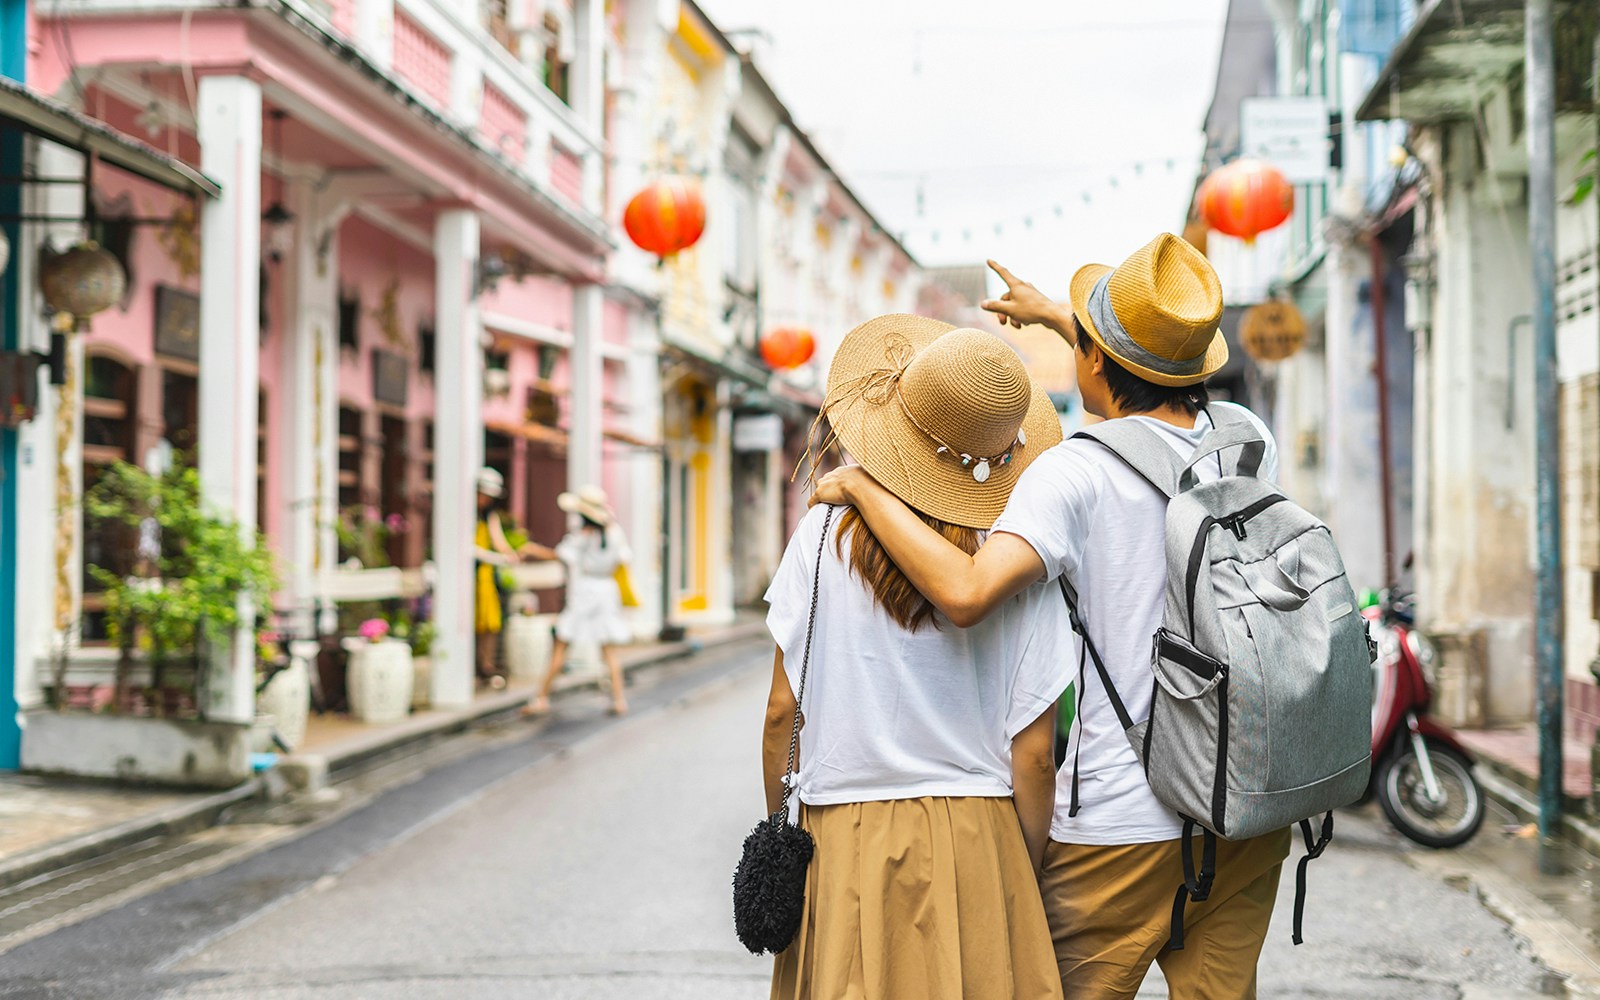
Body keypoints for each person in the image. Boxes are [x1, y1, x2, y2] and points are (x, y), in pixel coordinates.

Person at [812, 235, 1292, 1000]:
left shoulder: (1073, 472)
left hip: (1120, 826)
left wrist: (865, 489)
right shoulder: (1245, 441)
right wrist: (1069, 324)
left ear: (1094, 360)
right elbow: (1149, 386)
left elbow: (968, 593)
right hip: (1244, 811)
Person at [763, 315, 1072, 1000]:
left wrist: (780, 827)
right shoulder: (1015, 560)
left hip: (842, 827)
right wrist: (1020, 866)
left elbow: (784, 711)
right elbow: (1034, 756)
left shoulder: (822, 535)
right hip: (979, 834)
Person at [525, 485, 633, 717]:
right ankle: (619, 699)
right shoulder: (615, 533)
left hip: (586, 592)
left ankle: (541, 697)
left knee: (562, 644)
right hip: (606, 590)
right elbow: (623, 560)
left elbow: (559, 555)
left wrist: (532, 549)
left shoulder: (582, 536)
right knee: (609, 649)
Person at [473, 468, 519, 689]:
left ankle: (487, 664)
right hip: (471, 575)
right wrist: (494, 557)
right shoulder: (468, 515)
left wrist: (510, 554)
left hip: (486, 575)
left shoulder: (489, 516)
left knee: (490, 622)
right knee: (474, 621)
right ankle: (475, 665)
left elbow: (498, 540)